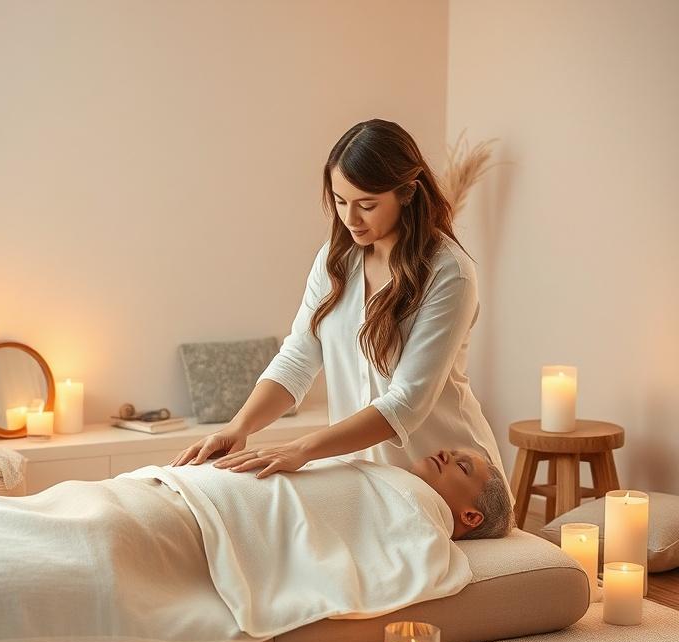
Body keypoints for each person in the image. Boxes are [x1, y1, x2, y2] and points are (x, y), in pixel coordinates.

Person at [170, 118, 513, 513]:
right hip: (369, 480)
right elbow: (298, 358)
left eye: (367, 205)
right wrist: (239, 427)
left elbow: (405, 404)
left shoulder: (449, 272)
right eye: (339, 200)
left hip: (453, 488)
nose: (351, 219)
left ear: (407, 192)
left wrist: (303, 449)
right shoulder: (337, 260)